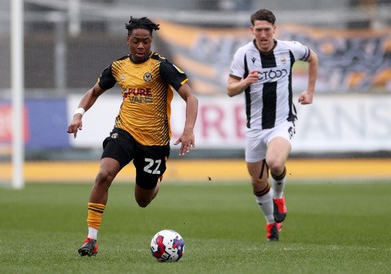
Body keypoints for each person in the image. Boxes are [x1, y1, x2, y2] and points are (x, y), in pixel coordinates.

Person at [67, 17, 198, 256]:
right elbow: (94, 91)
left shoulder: (162, 67)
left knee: (143, 200)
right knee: (104, 174)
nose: (141, 46)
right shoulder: (118, 67)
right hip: (125, 132)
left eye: (145, 42)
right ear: (128, 40)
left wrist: (188, 129)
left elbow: (191, 97)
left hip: (155, 143)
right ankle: (91, 239)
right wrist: (78, 114)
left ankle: (156, 178)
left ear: (151, 42)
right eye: (136, 41)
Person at [226, 9, 318, 241]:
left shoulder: (289, 49)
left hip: (282, 121)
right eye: (259, 30)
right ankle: (271, 224)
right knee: (257, 183)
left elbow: (313, 57)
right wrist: (246, 81)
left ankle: (279, 196)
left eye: (267, 29)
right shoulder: (243, 55)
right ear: (252, 31)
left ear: (274, 30)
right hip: (255, 128)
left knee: (275, 162)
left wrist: (310, 91)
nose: (263, 34)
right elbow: (230, 89)